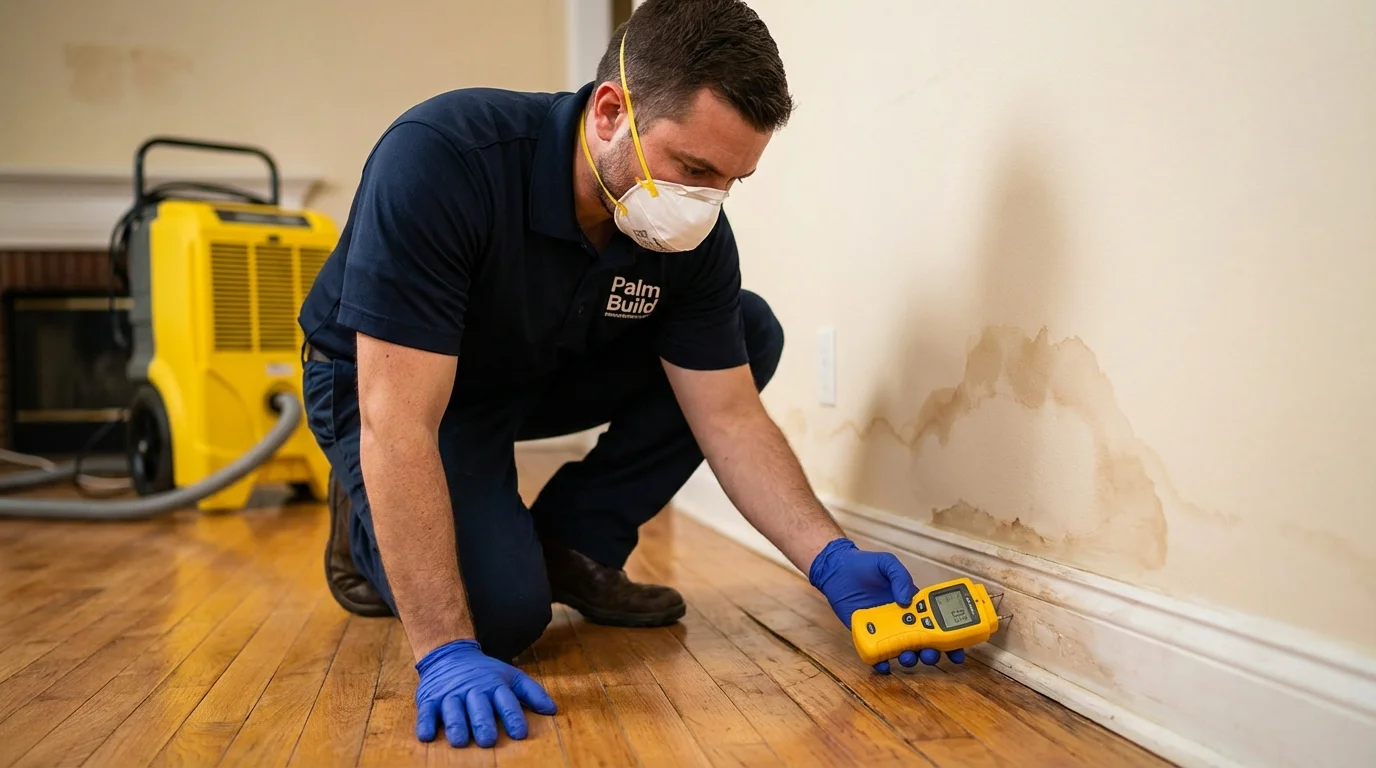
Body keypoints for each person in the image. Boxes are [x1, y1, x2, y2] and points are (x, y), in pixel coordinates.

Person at [296, 0, 965, 751]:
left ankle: (573, 546)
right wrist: (445, 650)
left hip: (527, 368)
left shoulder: (688, 235)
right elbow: (400, 421)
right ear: (611, 112)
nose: (705, 201)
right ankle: (364, 525)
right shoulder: (444, 159)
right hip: (389, 389)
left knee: (748, 330)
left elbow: (730, 418)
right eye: (693, 168)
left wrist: (829, 555)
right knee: (499, 624)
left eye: (731, 181)